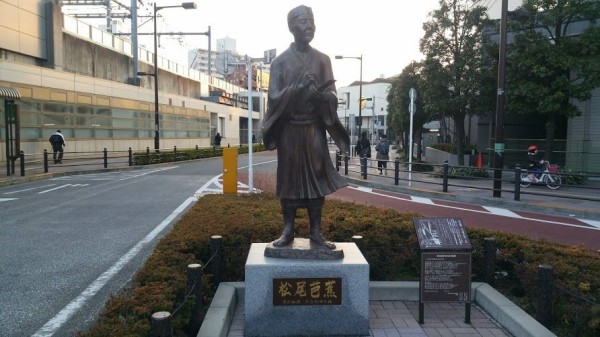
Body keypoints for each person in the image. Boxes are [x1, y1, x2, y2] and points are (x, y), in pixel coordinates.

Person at [262, 5, 350, 250]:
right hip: (290, 130)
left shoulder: (323, 60)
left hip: (313, 130)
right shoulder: (280, 63)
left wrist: (323, 97)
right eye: (303, 21)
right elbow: (274, 98)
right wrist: (298, 89)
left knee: (316, 178)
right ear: (292, 27)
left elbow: (332, 94)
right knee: (289, 180)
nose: (309, 26)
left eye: (312, 21)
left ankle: (316, 232)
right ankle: (288, 230)